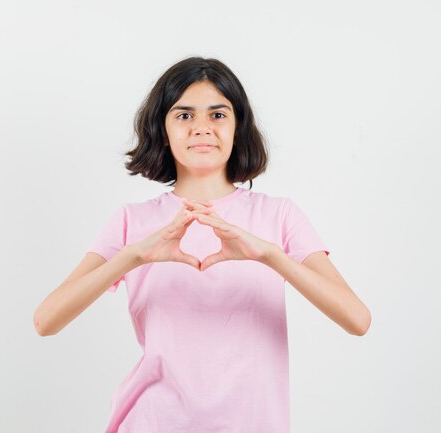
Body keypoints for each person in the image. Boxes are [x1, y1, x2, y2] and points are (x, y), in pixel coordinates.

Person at [33, 56, 372, 433]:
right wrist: (134, 256)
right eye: (184, 116)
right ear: (163, 129)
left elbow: (357, 320)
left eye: (217, 115)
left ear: (237, 126)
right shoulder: (133, 222)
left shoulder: (279, 217)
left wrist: (269, 256)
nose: (201, 128)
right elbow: (47, 320)